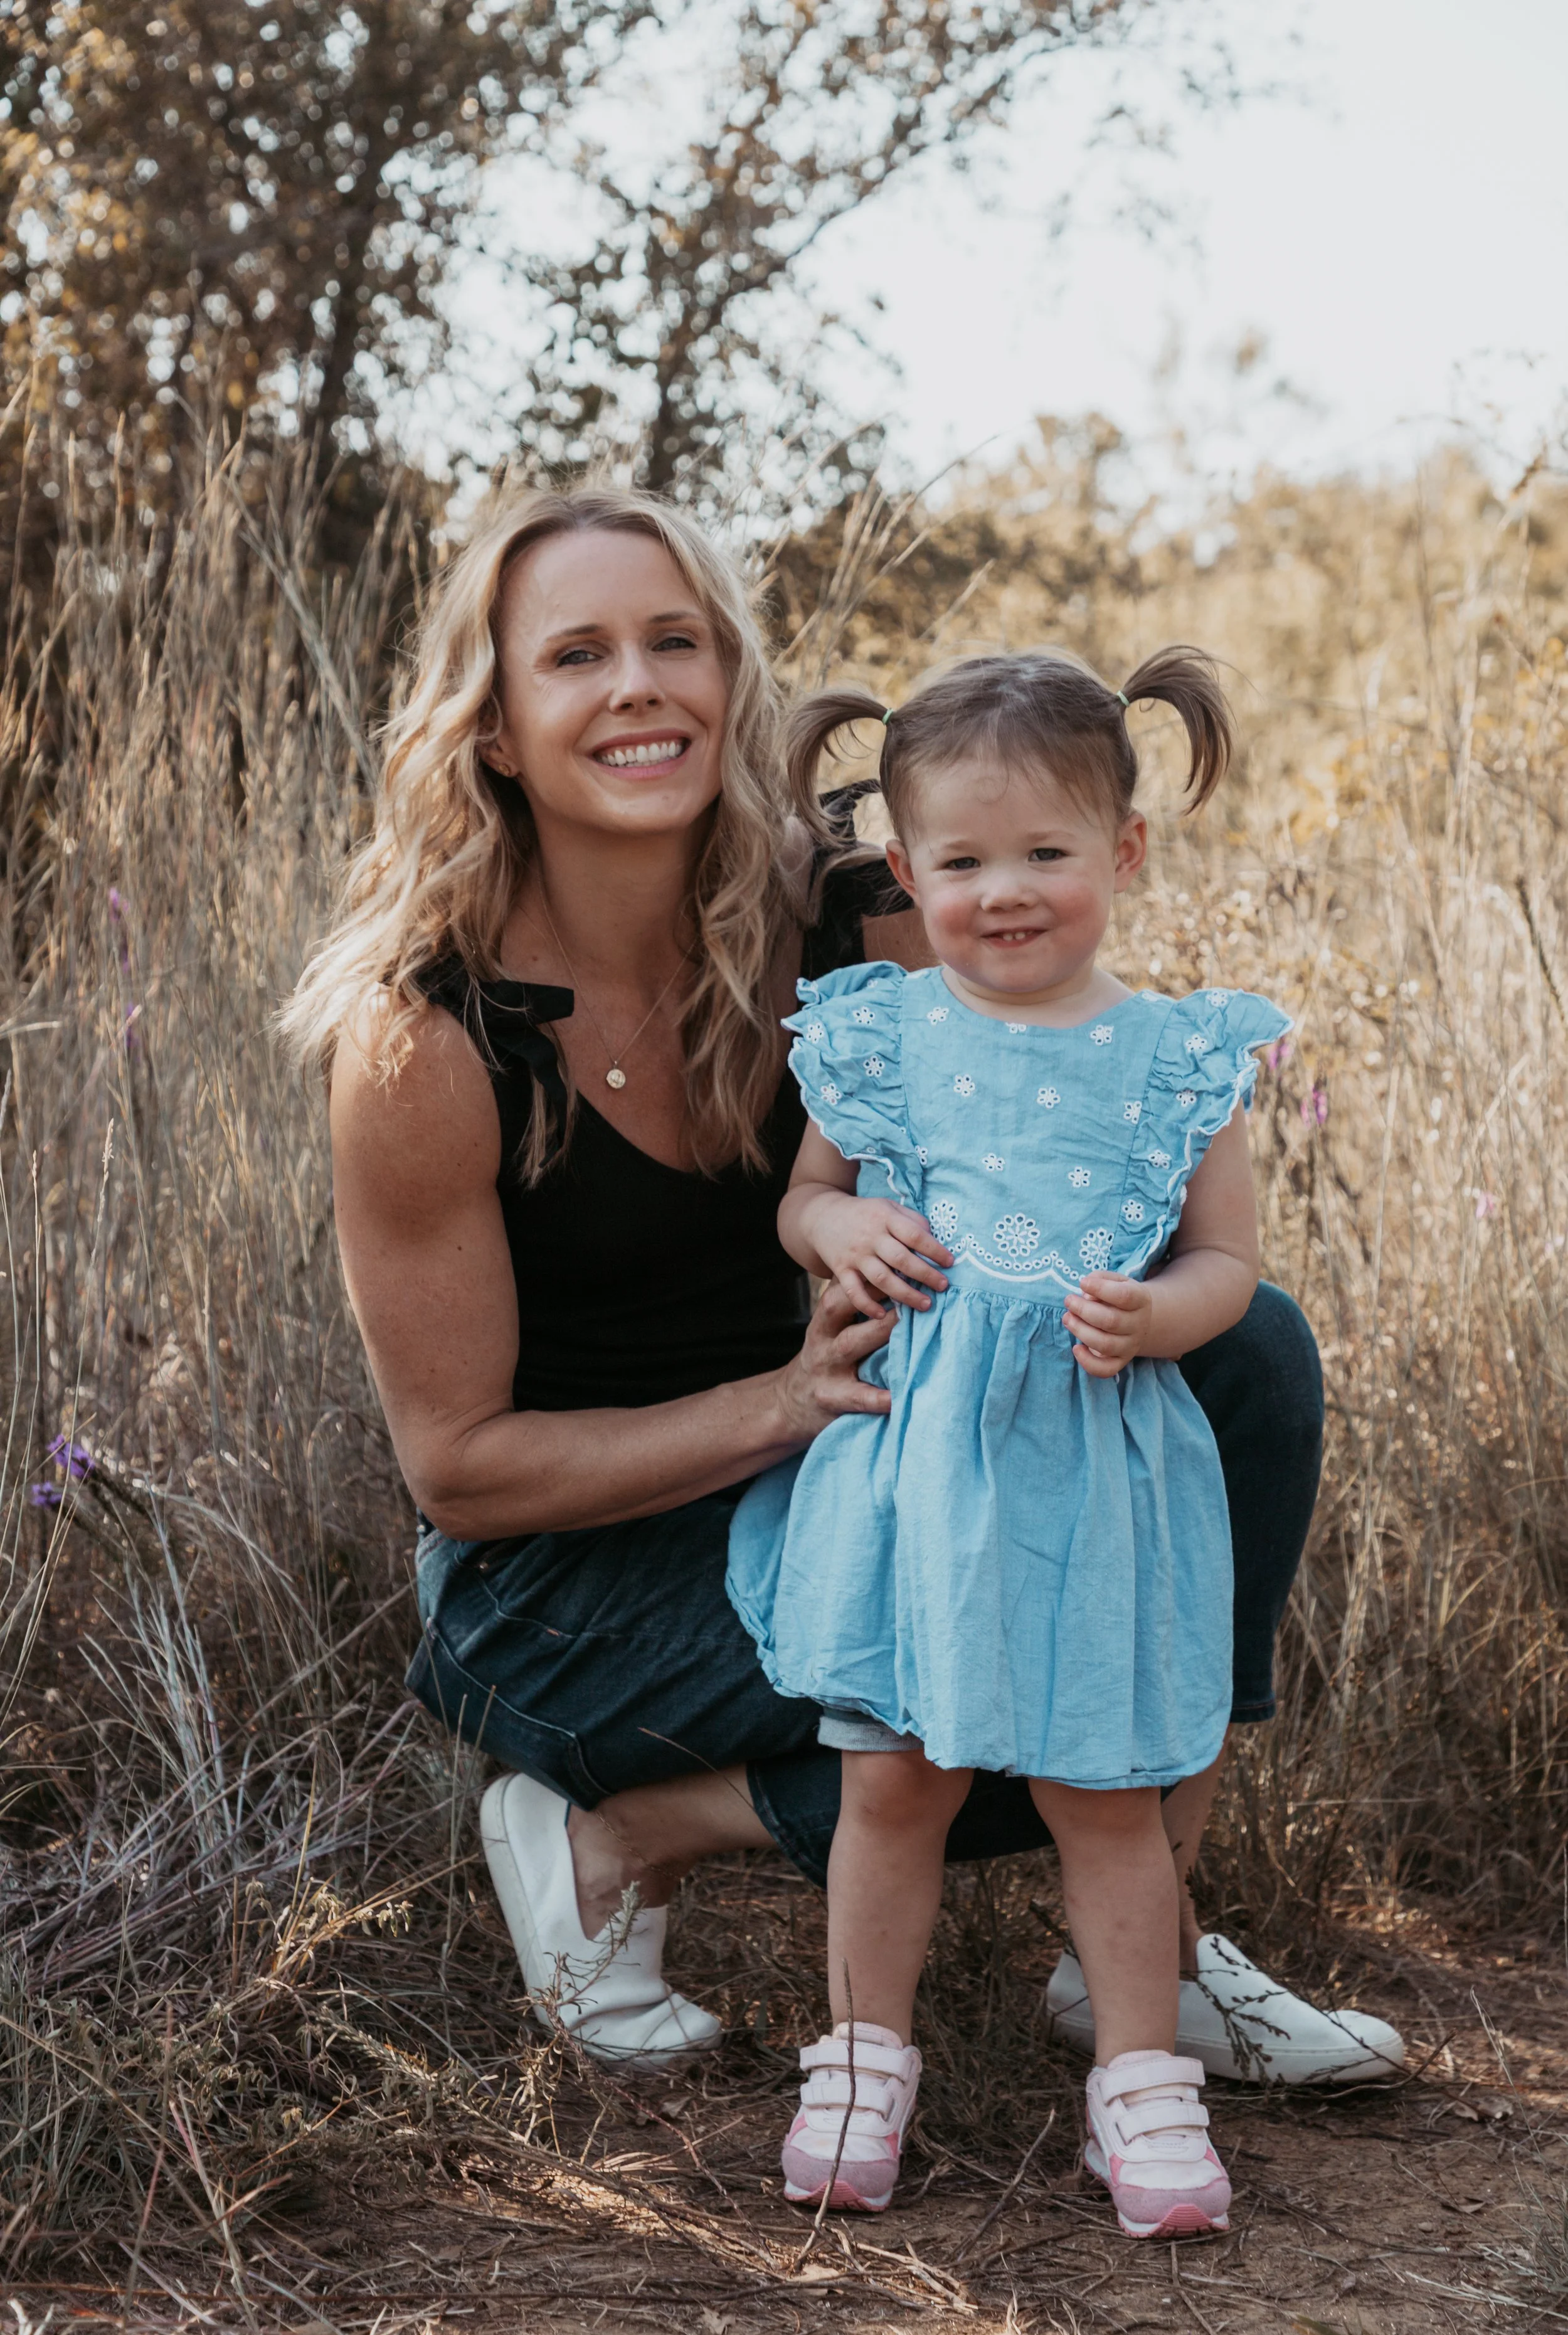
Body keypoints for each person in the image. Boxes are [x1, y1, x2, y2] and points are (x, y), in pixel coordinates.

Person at [283, 483, 1403, 2095]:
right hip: (579, 1586)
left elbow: (1080, 1092)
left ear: (734, 680)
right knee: (992, 1653)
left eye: (677, 641)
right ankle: (613, 1828)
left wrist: (1117, 1298)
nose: (638, 686)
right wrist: (789, 1404)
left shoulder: (853, 918)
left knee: (1240, 1371)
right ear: (499, 729)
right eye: (576, 655)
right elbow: (460, 1468)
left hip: (874, 1461)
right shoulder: (424, 1040)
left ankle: (1135, 1954)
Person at [728, 650, 1285, 2236]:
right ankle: (858, 2059)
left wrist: (1161, 1317)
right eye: (962, 863)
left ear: (1122, 853)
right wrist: (842, 1227)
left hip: (1094, 1469)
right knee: (889, 1779)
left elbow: (1224, 1260)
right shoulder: (880, 1032)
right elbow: (799, 1196)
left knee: (1106, 1792)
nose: (1005, 893)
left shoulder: (1174, 1056)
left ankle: (1138, 2083)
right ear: (902, 869)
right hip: (917, 1477)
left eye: (1046, 853)